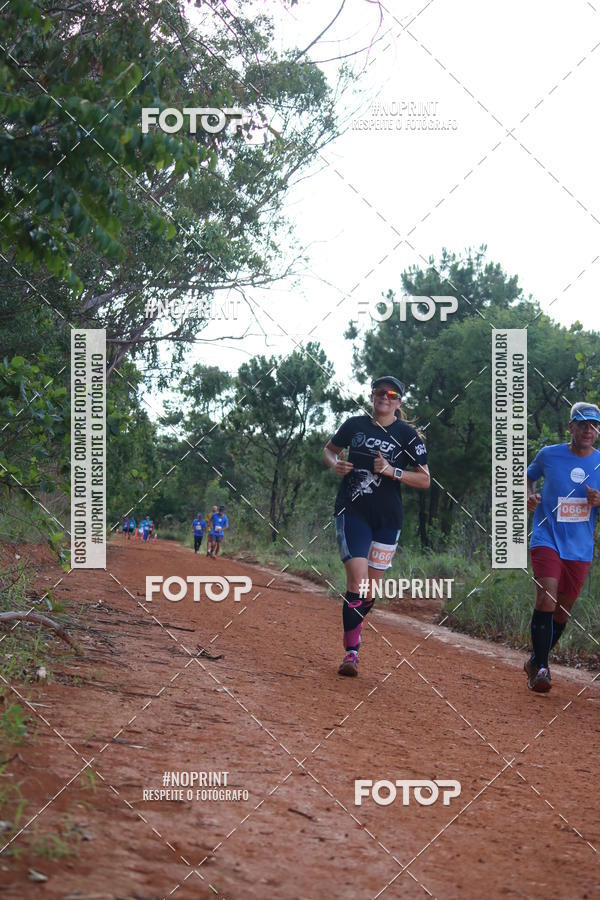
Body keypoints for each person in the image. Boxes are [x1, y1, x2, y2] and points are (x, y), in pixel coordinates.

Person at [323, 376, 430, 677]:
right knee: (356, 584)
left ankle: (355, 621)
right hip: (352, 510)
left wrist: (391, 470)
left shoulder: (407, 435)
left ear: (398, 402)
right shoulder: (354, 425)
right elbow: (329, 450)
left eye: (392, 394)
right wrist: (335, 465)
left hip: (388, 518)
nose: (385, 397)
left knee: (368, 593)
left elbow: (424, 479)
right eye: (380, 392)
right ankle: (351, 653)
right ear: (372, 396)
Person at [525, 401, 600, 693]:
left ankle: (535, 660)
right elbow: (528, 478)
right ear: (571, 427)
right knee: (546, 597)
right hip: (547, 537)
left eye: (593, 425)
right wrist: (529, 496)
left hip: (579, 547)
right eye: (582, 424)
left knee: (562, 611)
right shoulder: (549, 455)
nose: (588, 430)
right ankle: (542, 670)